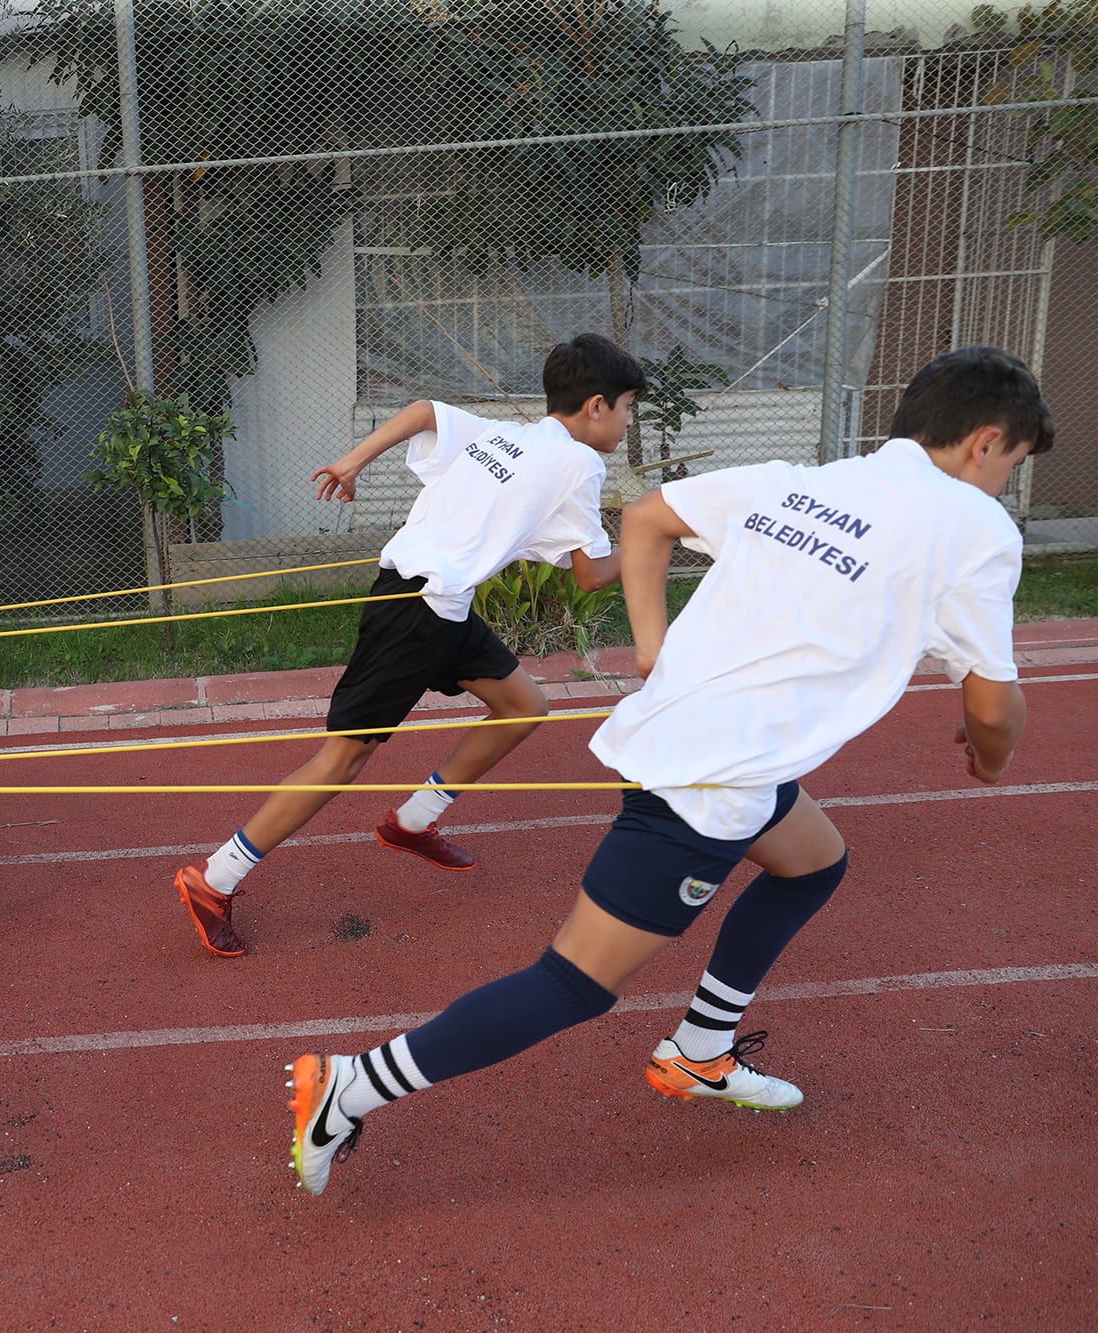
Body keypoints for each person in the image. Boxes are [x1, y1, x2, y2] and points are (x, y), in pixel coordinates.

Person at [286, 344, 1049, 1196]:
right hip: (706, 783)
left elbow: (648, 517)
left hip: (705, 750)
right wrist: (991, 757)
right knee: (571, 984)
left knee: (814, 863)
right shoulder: (975, 525)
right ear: (985, 442)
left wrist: (650, 644)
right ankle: (353, 1084)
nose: (1005, 484)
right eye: (1013, 464)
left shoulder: (804, 480)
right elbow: (992, 703)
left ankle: (700, 1049)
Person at [174, 333, 640, 956]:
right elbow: (591, 574)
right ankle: (214, 878)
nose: (629, 422)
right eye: (630, 407)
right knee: (341, 761)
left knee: (523, 707)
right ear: (597, 407)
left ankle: (412, 821)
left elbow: (423, 412)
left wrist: (351, 461)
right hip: (415, 611)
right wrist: (652, 538)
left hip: (443, 605)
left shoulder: (507, 435)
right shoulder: (581, 464)